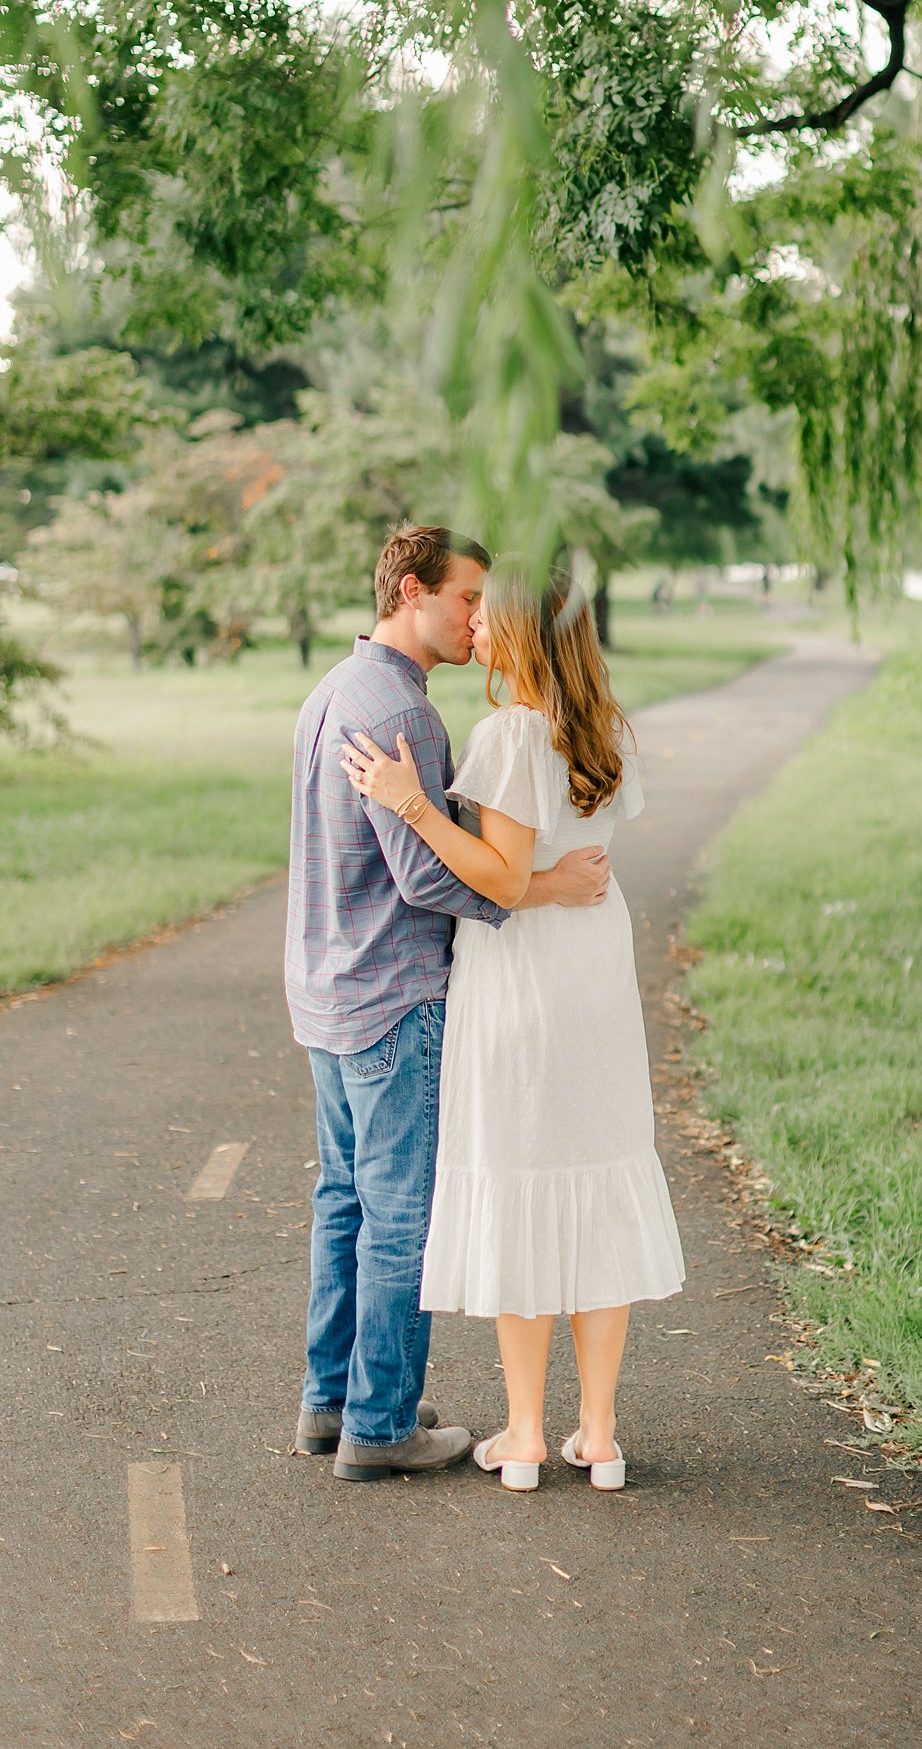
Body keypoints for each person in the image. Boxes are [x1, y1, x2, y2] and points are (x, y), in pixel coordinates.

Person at [340, 565, 685, 1492]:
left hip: (520, 980)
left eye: (490, 620)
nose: (476, 631)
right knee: (595, 1175)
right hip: (596, 978)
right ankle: (600, 1434)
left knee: (520, 1175)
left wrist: (410, 803)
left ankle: (526, 1435)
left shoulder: (507, 736)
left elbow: (497, 878)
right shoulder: (607, 732)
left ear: (527, 634)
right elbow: (584, 855)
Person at [285, 525, 611, 1483]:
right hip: (392, 991)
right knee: (398, 1215)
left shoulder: (333, 691)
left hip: (326, 987)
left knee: (344, 1201)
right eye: (467, 598)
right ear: (412, 594)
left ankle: (331, 1399)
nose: (479, 617)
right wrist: (537, 889)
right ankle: (380, 1424)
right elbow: (425, 876)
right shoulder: (409, 718)